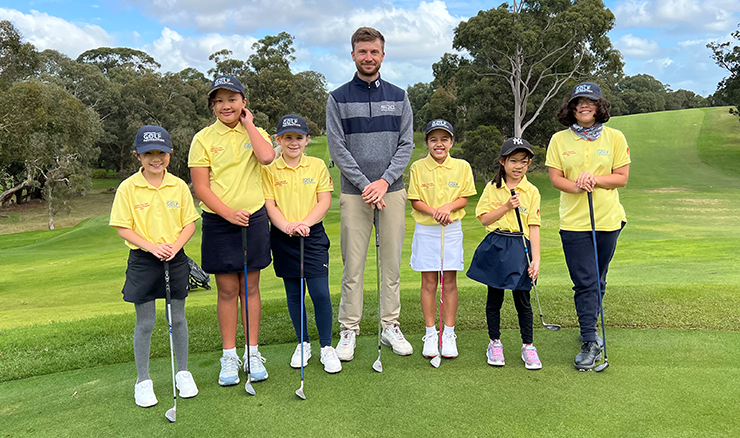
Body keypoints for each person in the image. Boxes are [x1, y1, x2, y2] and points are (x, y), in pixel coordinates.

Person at [326, 26, 415, 360]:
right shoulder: (337, 98)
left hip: (392, 191)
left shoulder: (399, 96)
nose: (368, 57)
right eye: (362, 51)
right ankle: (349, 329)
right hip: (355, 194)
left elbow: (406, 144)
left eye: (374, 51)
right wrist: (366, 184)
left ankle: (390, 325)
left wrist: (384, 182)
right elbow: (337, 147)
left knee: (391, 264)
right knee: (353, 266)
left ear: (382, 54)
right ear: (353, 55)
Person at [188, 75, 275, 385]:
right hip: (219, 223)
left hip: (253, 219)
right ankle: (229, 356)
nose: (226, 106)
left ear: (243, 102)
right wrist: (227, 214)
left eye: (232, 99)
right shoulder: (203, 139)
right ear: (213, 105)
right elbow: (201, 187)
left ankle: (252, 353)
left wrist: (249, 125)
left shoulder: (257, 133)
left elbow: (266, 156)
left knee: (250, 288)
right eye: (220, 100)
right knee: (227, 290)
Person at [110, 125, 200, 407]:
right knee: (146, 322)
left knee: (178, 319)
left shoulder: (178, 185)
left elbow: (190, 223)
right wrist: (153, 247)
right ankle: (143, 381)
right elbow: (123, 228)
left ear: (170, 154)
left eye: (160, 152)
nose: (155, 158)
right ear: (138, 155)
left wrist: (174, 246)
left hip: (175, 258)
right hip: (143, 260)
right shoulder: (128, 188)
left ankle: (182, 372)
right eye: (148, 153)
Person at [545, 81, 630, 371]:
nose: (584, 106)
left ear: (599, 106)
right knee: (585, 281)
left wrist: (595, 180)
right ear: (571, 107)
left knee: (598, 278)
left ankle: (590, 324)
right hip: (574, 222)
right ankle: (590, 339)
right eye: (579, 101)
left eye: (590, 101)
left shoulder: (615, 137)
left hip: (608, 219)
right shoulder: (559, 140)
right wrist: (577, 185)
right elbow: (556, 179)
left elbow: (621, 177)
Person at [262, 114, 342, 374]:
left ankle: (327, 346)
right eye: (288, 138)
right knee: (295, 294)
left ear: (307, 140)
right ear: (279, 140)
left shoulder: (317, 165)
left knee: (320, 292)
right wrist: (286, 226)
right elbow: (270, 204)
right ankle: (303, 342)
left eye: (299, 137)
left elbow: (324, 201)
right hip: (283, 237)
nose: (293, 142)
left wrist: (305, 223)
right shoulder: (269, 170)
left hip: (313, 235)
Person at [467, 137, 543, 370]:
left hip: (521, 247)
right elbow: (484, 219)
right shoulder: (492, 188)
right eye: (513, 160)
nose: (519, 166)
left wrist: (536, 259)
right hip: (498, 245)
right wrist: (506, 207)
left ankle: (528, 346)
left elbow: (534, 226)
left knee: (523, 299)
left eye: (524, 161)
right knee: (495, 297)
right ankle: (494, 342)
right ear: (502, 162)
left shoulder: (531, 191)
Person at [407, 119, 476, 359]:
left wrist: (446, 207)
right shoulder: (417, 167)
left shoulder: (462, 166)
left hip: (452, 229)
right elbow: (415, 200)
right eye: (433, 139)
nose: (439, 144)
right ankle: (429, 333)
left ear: (451, 142)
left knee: (449, 281)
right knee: (428, 282)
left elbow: (464, 198)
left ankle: (448, 333)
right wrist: (435, 212)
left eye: (444, 139)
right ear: (426, 142)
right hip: (426, 230)